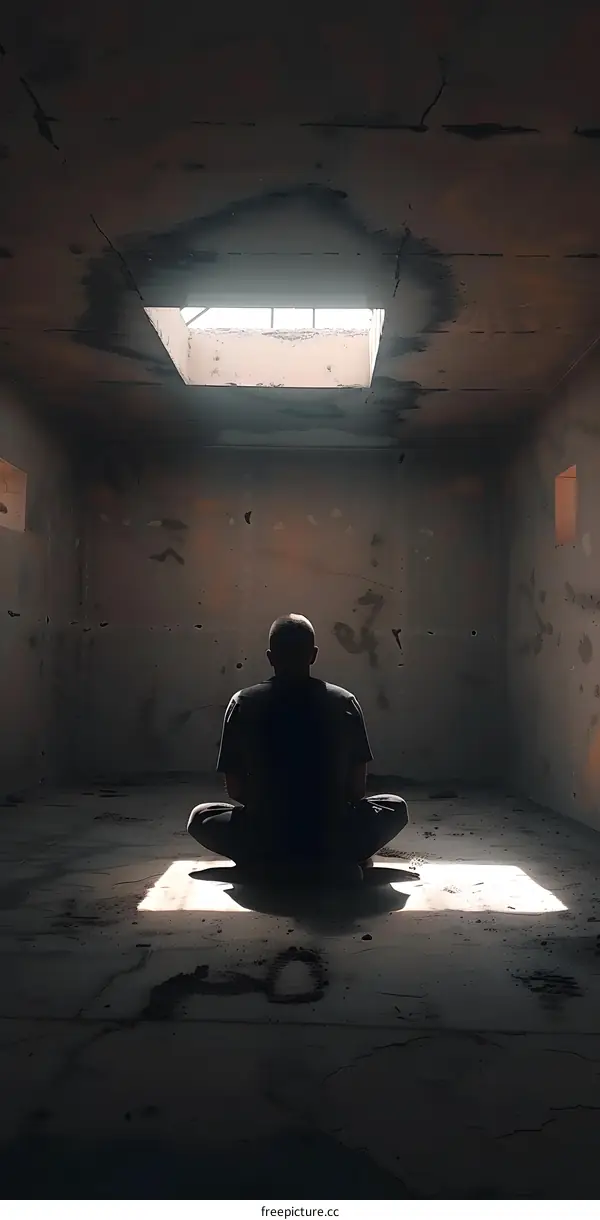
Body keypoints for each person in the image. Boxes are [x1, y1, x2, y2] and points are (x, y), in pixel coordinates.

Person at [188, 614, 408, 880]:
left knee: (201, 817)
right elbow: (356, 790)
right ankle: (333, 860)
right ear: (313, 655)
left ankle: (269, 861)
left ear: (270, 657)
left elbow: (236, 790)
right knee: (395, 807)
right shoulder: (344, 702)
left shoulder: (243, 702)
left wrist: (278, 811)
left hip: (265, 836)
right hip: (331, 836)